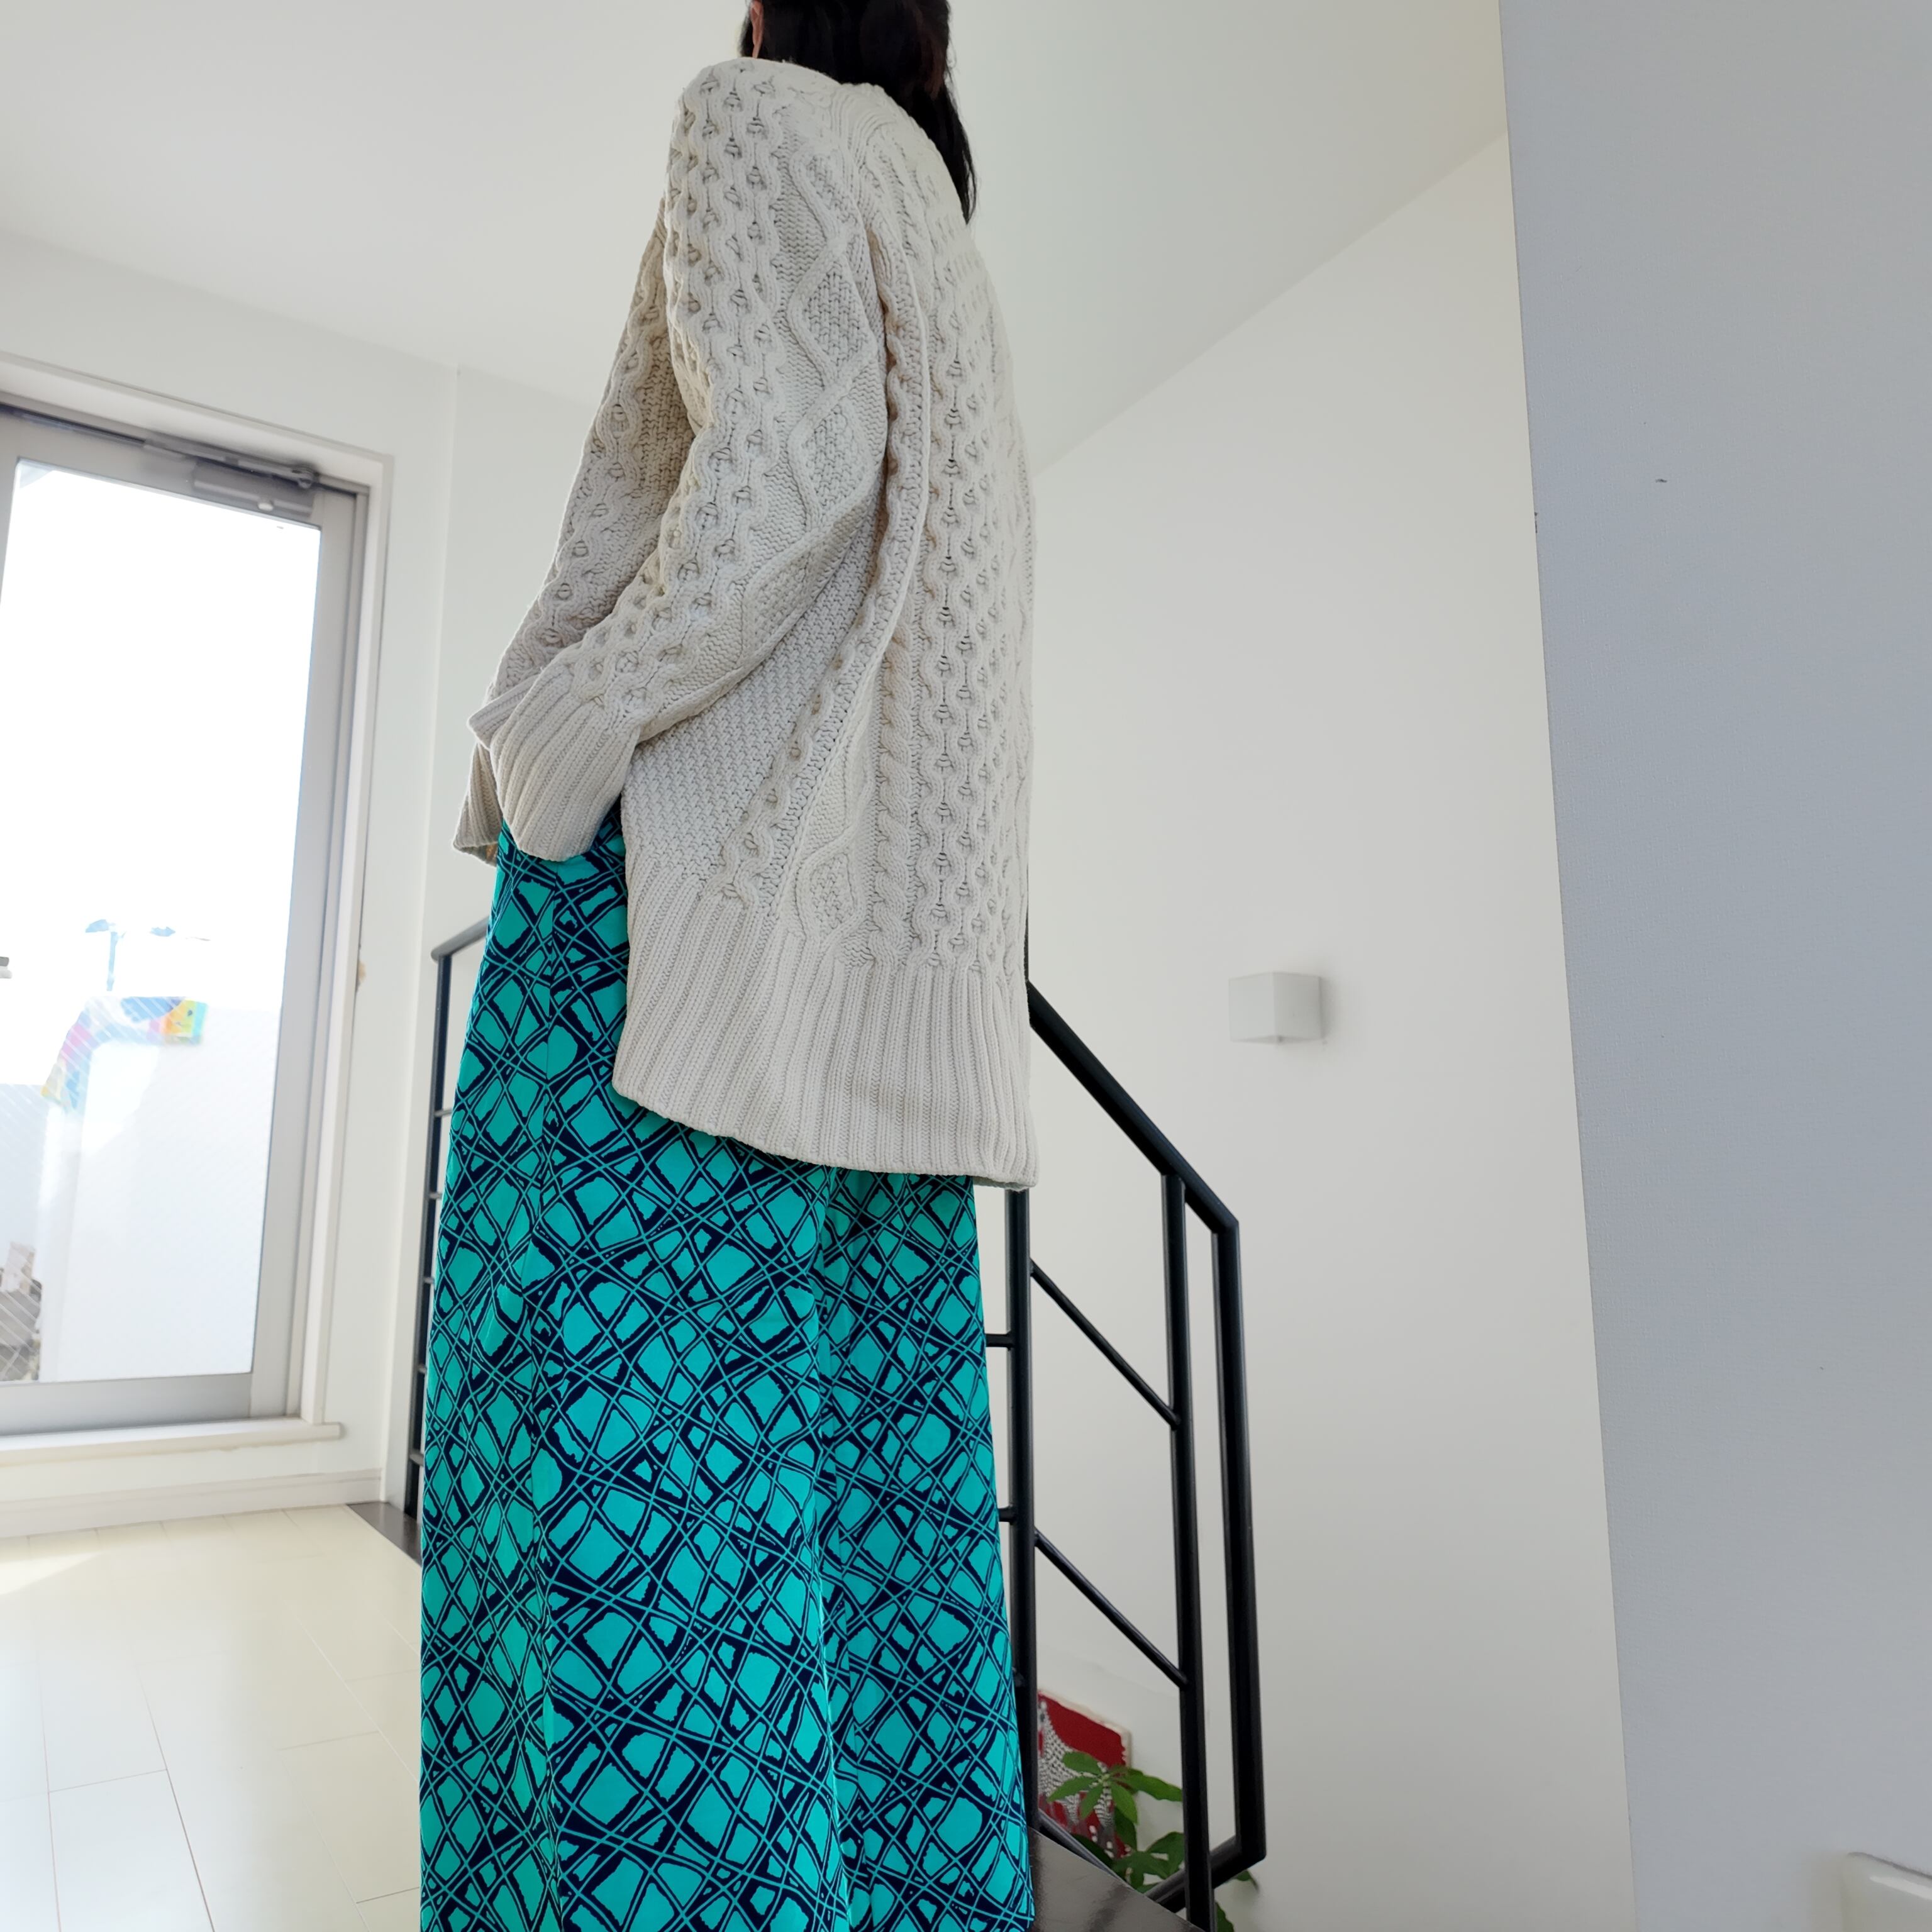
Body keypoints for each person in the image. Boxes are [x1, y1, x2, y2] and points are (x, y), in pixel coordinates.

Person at [419, 1, 1037, 1925]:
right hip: (861, 1001)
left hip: (672, 929)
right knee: (857, 1560)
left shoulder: (754, 113)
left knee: (591, 1527)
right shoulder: (940, 229)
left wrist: (555, 735)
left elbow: (779, 472)